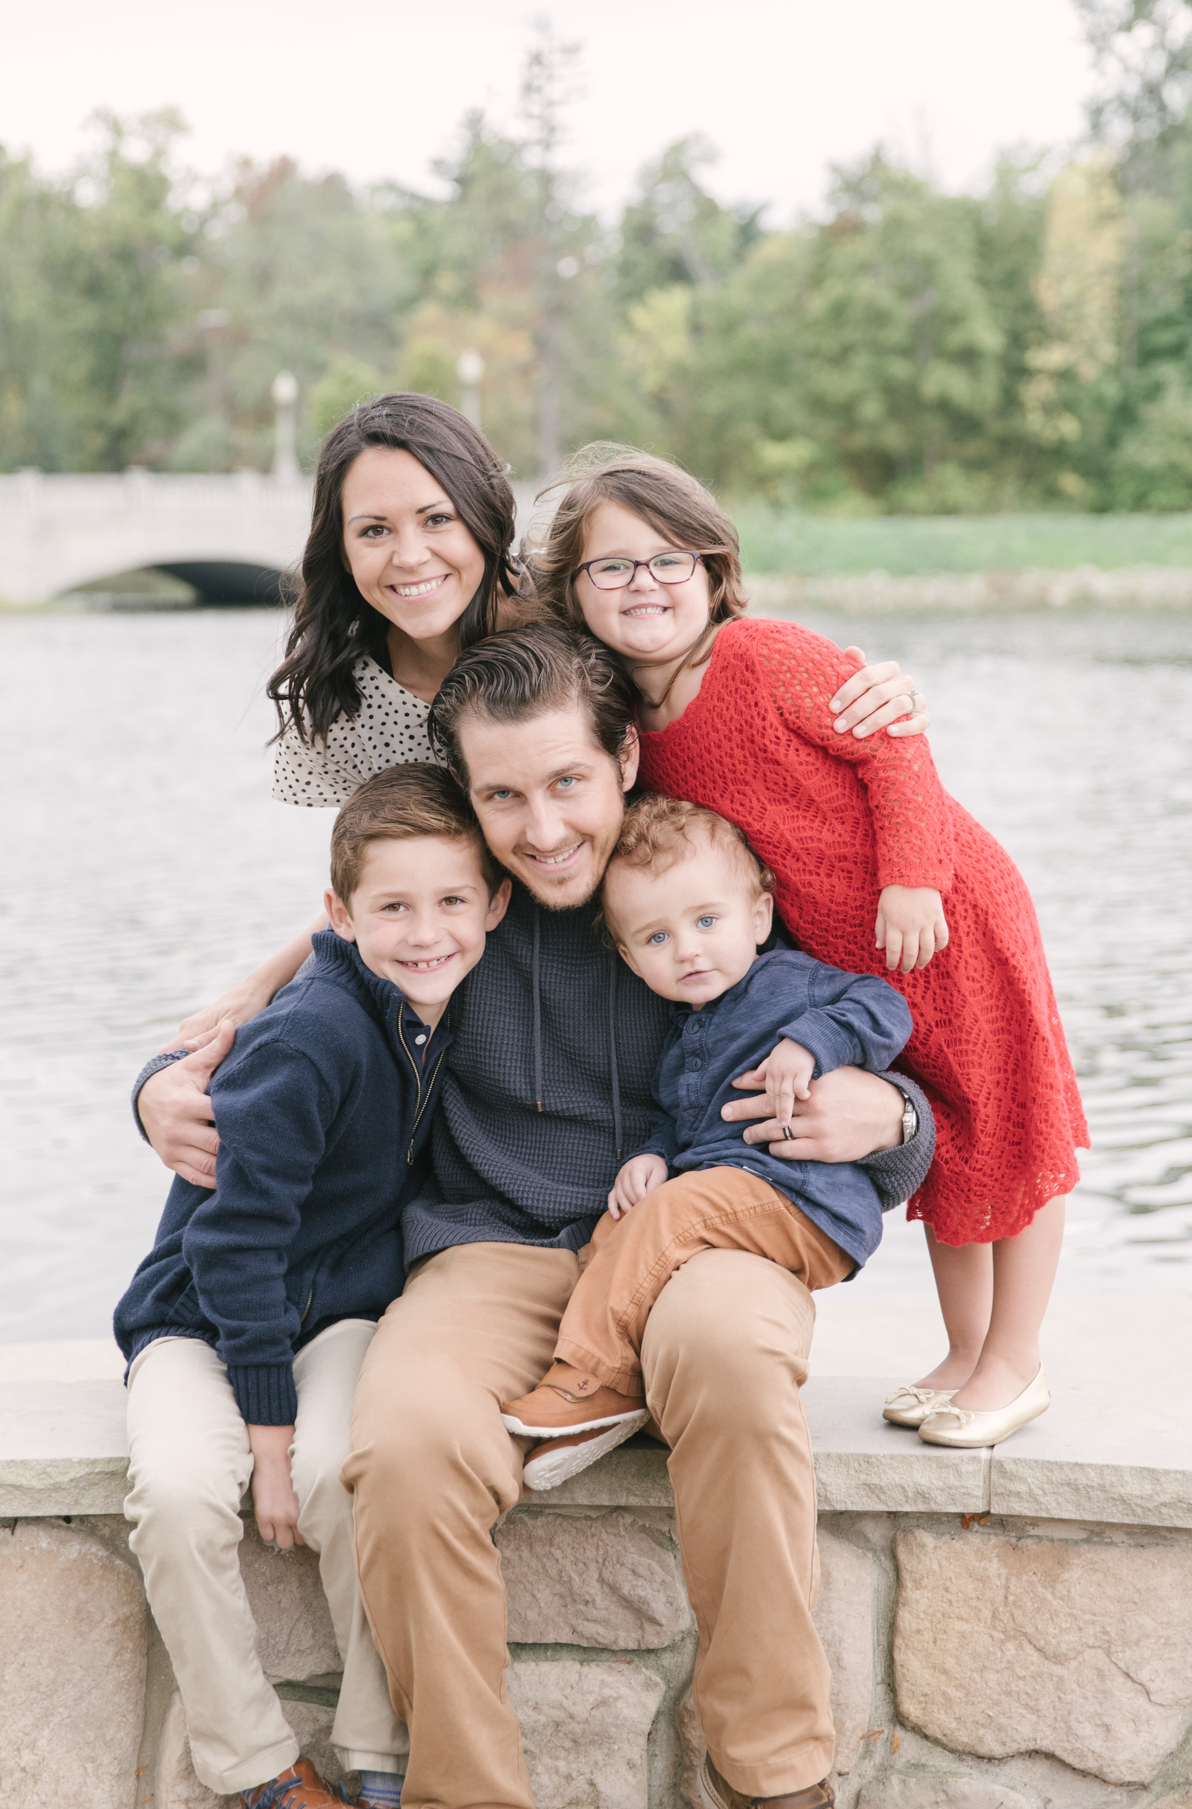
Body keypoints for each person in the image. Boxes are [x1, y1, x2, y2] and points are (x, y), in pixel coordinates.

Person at [136, 624, 934, 1809]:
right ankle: (467, 1794)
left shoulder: (696, 871)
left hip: (699, 1237)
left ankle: (773, 1778)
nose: (545, 826)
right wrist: (156, 1078)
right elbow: (315, 990)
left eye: (568, 781)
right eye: (504, 796)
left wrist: (893, 1119)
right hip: (488, 1249)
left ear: (624, 756)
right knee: (400, 1451)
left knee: (728, 1354)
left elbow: (852, 1017)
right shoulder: (455, 917)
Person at [534, 444, 1090, 1448]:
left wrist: (913, 876)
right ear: (573, 592)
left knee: (1011, 1116)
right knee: (947, 1137)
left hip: (940, 910)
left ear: (712, 569)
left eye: (671, 559)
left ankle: (1016, 1357)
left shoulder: (762, 656)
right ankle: (963, 1352)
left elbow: (894, 747)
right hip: (856, 959)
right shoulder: (633, 728)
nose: (645, 583)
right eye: (611, 566)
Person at [160, 391, 934, 1070]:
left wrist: (869, 692)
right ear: (340, 544)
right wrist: (262, 986)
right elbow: (394, 887)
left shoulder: (570, 614)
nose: (409, 555)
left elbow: (706, 652)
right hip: (505, 999)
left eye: (437, 518)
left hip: (676, 952)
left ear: (484, 516)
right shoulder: (354, 696)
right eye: (373, 530)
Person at [116, 765, 509, 1809]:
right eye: (393, 908)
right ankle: (258, 1771)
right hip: (200, 1317)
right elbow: (235, 1243)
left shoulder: (436, 1005)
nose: (427, 931)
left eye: (452, 903)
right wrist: (269, 1437)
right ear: (338, 917)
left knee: (363, 1473)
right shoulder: (314, 1033)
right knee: (180, 1495)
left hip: (336, 1311)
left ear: (494, 905)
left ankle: (380, 1758)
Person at [501, 793, 923, 1488]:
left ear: (758, 915)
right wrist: (653, 1154)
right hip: (733, 1195)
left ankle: (589, 1378)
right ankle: (620, 1392)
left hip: (804, 1200)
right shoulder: (684, 1037)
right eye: (658, 938)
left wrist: (810, 1043)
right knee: (620, 1225)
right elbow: (690, 1120)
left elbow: (885, 1005)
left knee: (671, 1212)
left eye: (706, 920)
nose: (688, 948)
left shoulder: (788, 983)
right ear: (632, 960)